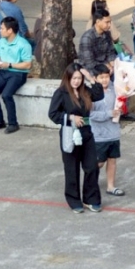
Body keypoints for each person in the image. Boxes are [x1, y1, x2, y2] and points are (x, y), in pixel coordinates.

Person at [47, 63, 101, 212]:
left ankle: (91, 199)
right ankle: (74, 200)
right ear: (68, 78)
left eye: (79, 78)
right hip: (69, 133)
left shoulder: (85, 91)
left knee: (92, 166)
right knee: (72, 168)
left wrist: (89, 77)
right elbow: (53, 114)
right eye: (74, 78)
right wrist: (71, 117)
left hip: (86, 133)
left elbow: (99, 94)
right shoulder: (61, 93)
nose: (76, 81)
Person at [0, 16, 33, 134]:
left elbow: (27, 65)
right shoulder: (2, 41)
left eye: (2, 28)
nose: (0, 30)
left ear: (10, 30)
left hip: (18, 74)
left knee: (6, 95)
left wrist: (10, 65)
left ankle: (13, 124)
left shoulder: (23, 44)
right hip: (3, 71)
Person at [88, 64, 124, 197]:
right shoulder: (91, 94)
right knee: (99, 162)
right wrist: (109, 113)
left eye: (107, 77)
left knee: (112, 160)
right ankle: (90, 184)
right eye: (101, 77)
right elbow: (90, 114)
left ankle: (111, 186)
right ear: (95, 78)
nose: (104, 80)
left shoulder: (115, 89)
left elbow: (120, 102)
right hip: (99, 135)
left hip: (113, 133)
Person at [77, 0, 121, 71]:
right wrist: (106, 66)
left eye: (110, 22)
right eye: (107, 22)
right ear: (98, 22)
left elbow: (110, 53)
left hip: (105, 66)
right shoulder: (87, 38)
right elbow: (89, 63)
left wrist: (112, 63)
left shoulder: (107, 34)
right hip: (91, 69)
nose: (109, 25)